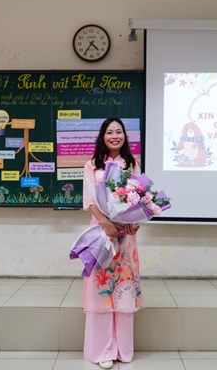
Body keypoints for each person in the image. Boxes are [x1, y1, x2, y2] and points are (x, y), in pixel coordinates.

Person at [81, 117, 142, 369]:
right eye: (109, 132)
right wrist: (106, 223)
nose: (114, 136)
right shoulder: (92, 165)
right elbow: (89, 200)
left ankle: (123, 350)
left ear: (124, 136)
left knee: (123, 288)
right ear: (102, 136)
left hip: (126, 235)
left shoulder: (132, 164)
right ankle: (102, 351)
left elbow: (139, 198)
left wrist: (134, 222)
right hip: (101, 233)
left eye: (119, 132)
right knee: (101, 288)